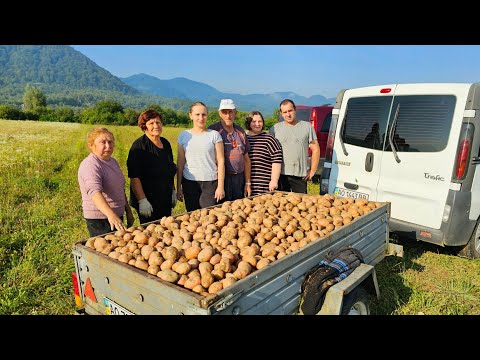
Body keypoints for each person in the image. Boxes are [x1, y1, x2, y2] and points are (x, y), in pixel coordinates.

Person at [78, 127, 134, 237]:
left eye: (110, 142)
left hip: (116, 216)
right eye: (102, 142)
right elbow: (94, 193)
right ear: (91, 145)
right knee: (106, 251)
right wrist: (111, 215)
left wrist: (128, 210)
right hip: (100, 219)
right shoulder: (90, 164)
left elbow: (120, 189)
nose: (108, 146)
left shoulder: (113, 162)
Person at [127, 109, 176, 225]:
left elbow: (169, 168)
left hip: (165, 197)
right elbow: (134, 177)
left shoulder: (166, 143)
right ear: (144, 127)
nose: (156, 126)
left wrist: (173, 190)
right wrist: (142, 200)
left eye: (158, 122)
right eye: (151, 123)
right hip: (148, 201)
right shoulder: (138, 147)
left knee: (166, 228)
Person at [176, 101, 225, 212]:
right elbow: (180, 163)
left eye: (204, 114)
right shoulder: (183, 136)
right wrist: (178, 187)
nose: (201, 118)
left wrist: (220, 186)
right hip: (190, 182)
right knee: (192, 216)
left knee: (209, 217)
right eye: (197, 115)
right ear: (190, 116)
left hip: (210, 182)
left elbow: (221, 161)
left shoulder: (214, 135)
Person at [269, 99, 320, 194]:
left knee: (301, 205)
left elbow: (315, 149)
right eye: (285, 112)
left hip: (300, 176)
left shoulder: (307, 127)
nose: (288, 114)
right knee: (281, 205)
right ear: (281, 113)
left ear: (295, 109)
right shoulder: (274, 129)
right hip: (280, 175)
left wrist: (312, 170)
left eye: (290, 111)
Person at [208, 98, 252, 201]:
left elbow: (246, 159)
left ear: (235, 113)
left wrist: (248, 183)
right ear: (219, 113)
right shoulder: (213, 130)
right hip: (220, 178)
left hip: (239, 178)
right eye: (224, 112)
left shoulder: (240, 131)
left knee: (238, 209)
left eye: (230, 112)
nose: (228, 116)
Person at [245, 111, 283, 196]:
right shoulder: (243, 138)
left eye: (260, 121)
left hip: (264, 185)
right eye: (254, 122)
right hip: (247, 184)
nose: (257, 124)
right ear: (248, 123)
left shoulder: (269, 139)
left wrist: (274, 180)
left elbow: (277, 160)